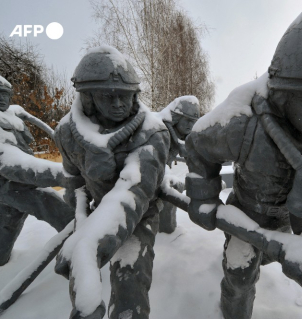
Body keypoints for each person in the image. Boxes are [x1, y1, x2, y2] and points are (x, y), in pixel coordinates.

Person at [184, 2, 302, 318]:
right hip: (246, 217)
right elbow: (198, 145)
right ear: (285, 91)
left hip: (292, 222)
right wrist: (202, 198)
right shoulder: (244, 119)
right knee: (239, 277)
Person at [53, 46, 170, 319]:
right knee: (81, 282)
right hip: (97, 209)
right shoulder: (66, 133)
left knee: (130, 280)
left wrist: (89, 247)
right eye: (108, 96)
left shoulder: (151, 132)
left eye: (125, 96)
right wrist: (80, 210)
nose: (119, 104)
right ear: (89, 98)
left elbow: (134, 191)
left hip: (139, 213)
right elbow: (73, 178)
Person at [0, 70, 80, 267]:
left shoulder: (8, 119)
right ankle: (83, 253)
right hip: (7, 186)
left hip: (13, 186)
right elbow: (10, 165)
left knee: (2, 234)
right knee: (58, 210)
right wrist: (62, 175)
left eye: (4, 95)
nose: (1, 99)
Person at [156, 96, 200, 233]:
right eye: (187, 120)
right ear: (176, 118)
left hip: (159, 175)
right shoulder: (162, 133)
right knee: (173, 188)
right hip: (149, 177)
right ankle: (166, 231)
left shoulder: (177, 135)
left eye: (193, 122)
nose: (190, 126)